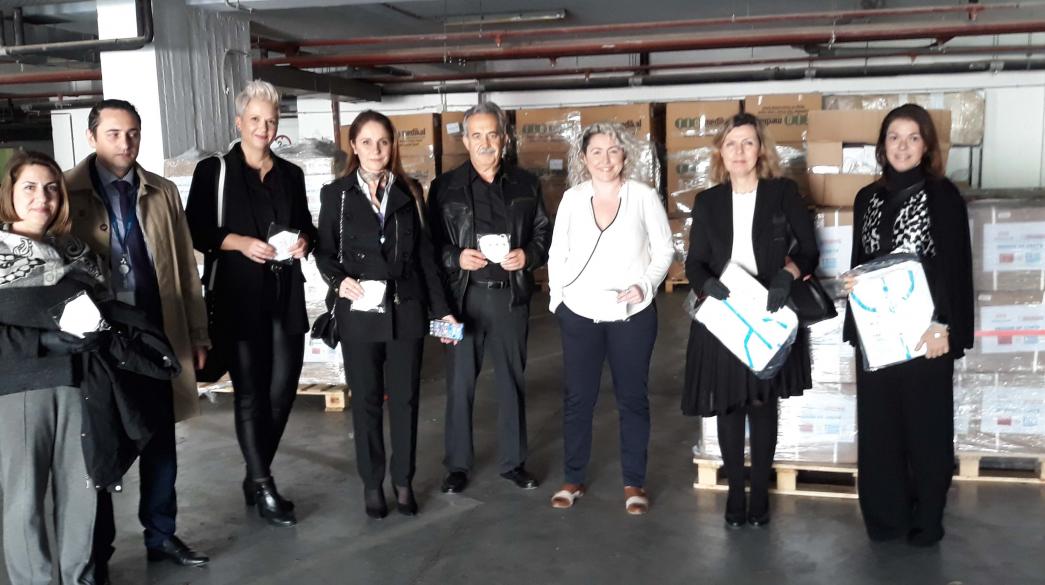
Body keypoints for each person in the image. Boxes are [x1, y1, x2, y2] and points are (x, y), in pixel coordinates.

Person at [0, 152, 181, 585]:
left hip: (84, 385)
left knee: (83, 492)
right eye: (30, 187)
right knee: (24, 498)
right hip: (22, 388)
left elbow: (106, 308)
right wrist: (41, 341)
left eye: (51, 188)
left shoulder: (76, 252)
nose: (42, 198)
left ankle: (80, 577)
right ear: (10, 194)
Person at [65, 99, 210, 571]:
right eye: (113, 134)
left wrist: (197, 332)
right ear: (92, 137)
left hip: (155, 331)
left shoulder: (162, 192)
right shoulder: (67, 190)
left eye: (132, 134)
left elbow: (185, 266)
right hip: (101, 341)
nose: (125, 143)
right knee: (103, 443)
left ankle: (161, 535)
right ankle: (98, 550)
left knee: (160, 437)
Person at [186, 80, 317, 528]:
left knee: (281, 392)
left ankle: (254, 474)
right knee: (250, 394)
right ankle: (262, 483)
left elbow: (307, 226)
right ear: (239, 122)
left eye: (271, 121)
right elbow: (196, 229)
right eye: (256, 119)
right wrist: (239, 242)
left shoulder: (291, 175)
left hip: (285, 295)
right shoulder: (215, 171)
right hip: (238, 298)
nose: (263, 127)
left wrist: (304, 241)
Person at [843, 103, 973, 547]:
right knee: (880, 428)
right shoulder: (867, 198)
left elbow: (956, 268)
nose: (902, 146)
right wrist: (854, 284)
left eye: (913, 137)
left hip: (925, 334)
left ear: (926, 146)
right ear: (882, 145)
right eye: (894, 137)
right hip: (878, 333)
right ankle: (886, 518)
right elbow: (863, 260)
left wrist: (945, 326)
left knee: (926, 428)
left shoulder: (943, 197)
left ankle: (927, 519)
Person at [315, 110, 456, 519]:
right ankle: (373, 482)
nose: (376, 150)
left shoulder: (410, 191)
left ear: (392, 146)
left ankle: (403, 480)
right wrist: (338, 281)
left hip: (405, 311)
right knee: (367, 402)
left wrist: (443, 312)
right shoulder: (336, 195)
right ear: (353, 146)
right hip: (359, 312)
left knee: (406, 400)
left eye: (383, 142)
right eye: (367, 142)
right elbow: (324, 251)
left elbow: (426, 257)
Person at [681, 113, 819, 528]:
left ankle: (759, 494)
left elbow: (809, 251)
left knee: (762, 405)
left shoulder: (782, 193)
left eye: (747, 143)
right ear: (720, 153)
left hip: (768, 312)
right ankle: (735, 493)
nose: (739, 151)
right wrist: (706, 284)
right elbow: (694, 262)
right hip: (726, 315)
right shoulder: (708, 202)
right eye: (731, 143)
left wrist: (788, 274)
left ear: (760, 150)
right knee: (729, 405)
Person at [546, 123, 673, 514]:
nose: (605, 159)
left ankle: (634, 483)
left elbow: (664, 250)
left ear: (625, 156)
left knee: (632, 398)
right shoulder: (572, 199)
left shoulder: (643, 196)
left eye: (613, 150)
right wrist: (557, 303)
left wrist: (646, 286)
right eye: (596, 152)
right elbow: (556, 253)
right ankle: (573, 477)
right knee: (578, 398)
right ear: (584, 158)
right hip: (580, 314)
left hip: (631, 316)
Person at [427, 102, 551, 494]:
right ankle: (457, 465)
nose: (485, 142)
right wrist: (455, 257)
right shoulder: (444, 187)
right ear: (465, 140)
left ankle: (514, 463)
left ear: (504, 139)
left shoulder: (526, 184)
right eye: (476, 135)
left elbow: (544, 234)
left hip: (509, 299)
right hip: (461, 301)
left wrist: (527, 256)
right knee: (459, 384)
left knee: (512, 382)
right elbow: (429, 246)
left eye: (492, 134)